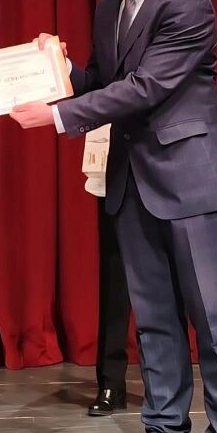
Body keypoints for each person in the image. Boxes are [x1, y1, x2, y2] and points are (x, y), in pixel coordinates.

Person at [11, 0, 217, 433]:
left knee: (215, 322)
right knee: (154, 322)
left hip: (190, 182)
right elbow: (103, 82)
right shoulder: (109, 7)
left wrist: (59, 115)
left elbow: (148, 87)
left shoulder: (189, 2)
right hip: (131, 184)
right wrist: (56, 66)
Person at [82, 126, 132, 417]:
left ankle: (164, 383)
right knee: (115, 279)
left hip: (164, 164)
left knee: (166, 283)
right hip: (114, 156)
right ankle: (111, 383)